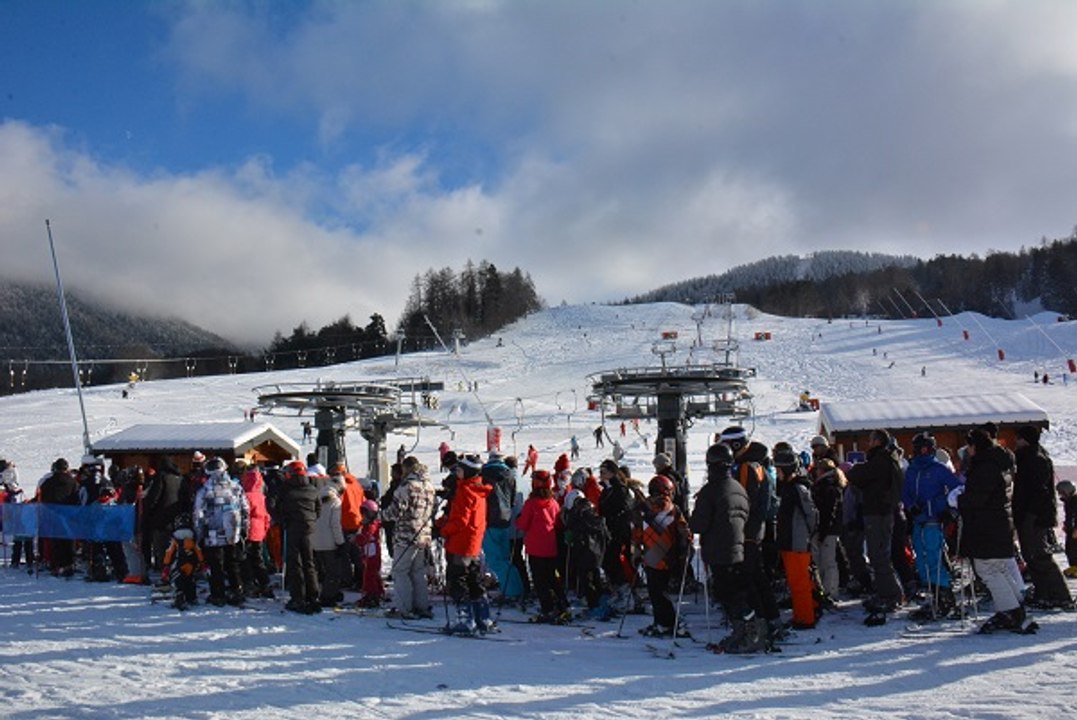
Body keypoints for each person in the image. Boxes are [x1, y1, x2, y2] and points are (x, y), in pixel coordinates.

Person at [690, 443, 765, 653]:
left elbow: (698, 524)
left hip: (718, 549)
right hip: (738, 546)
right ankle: (744, 632)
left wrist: (693, 522)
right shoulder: (738, 487)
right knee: (736, 591)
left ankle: (749, 632)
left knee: (727, 594)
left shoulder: (711, 490)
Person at [959, 426, 1035, 633]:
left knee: (988, 568)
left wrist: (960, 499)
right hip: (1000, 521)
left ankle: (1009, 610)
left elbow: (979, 496)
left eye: (969, 446)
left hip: (987, 524)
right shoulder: (1001, 460)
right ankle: (1016, 607)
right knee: (1000, 566)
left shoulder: (986, 465)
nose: (968, 450)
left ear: (976, 445)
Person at [846, 429, 905, 624]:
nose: (868, 443)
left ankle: (891, 595)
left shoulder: (881, 461)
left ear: (878, 441)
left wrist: (856, 472)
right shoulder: (887, 460)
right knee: (878, 554)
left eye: (871, 440)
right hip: (880, 511)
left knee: (879, 555)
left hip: (879, 513)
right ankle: (886, 592)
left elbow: (857, 475)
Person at [1013, 426, 1074, 609]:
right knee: (1031, 555)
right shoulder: (1028, 457)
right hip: (1029, 513)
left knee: (1039, 555)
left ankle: (1060, 595)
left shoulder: (1035, 459)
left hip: (1034, 515)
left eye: (1018, 438)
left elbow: (1038, 491)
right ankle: (1044, 593)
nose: (1016, 441)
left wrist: (1030, 513)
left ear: (1025, 440)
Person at [903, 433, 962, 622]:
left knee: (934, 557)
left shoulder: (938, 469)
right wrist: (911, 505)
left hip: (934, 519)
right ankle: (934, 595)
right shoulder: (912, 470)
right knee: (921, 559)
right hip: (918, 519)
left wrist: (949, 509)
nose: (921, 451)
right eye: (918, 448)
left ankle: (944, 597)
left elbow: (957, 488)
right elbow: (905, 492)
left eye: (925, 448)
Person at [437, 454, 494, 634]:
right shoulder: (479, 490)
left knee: (458, 581)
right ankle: (483, 618)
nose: (457, 473)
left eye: (460, 470)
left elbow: (460, 520)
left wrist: (443, 530)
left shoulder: (465, 491)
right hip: (474, 542)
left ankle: (465, 620)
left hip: (460, 543)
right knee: (474, 580)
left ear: (468, 472)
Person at [634, 474, 691, 638]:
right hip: (668, 554)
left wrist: (637, 547)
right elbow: (683, 530)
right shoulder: (673, 509)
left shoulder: (644, 508)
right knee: (660, 591)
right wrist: (686, 545)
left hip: (651, 554)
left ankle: (667, 622)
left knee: (656, 592)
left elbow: (638, 530)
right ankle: (662, 622)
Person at [381, 455, 437, 619]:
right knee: (417, 572)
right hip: (423, 534)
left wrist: (379, 516)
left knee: (400, 571)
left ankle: (404, 608)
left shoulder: (406, 486)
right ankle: (421, 606)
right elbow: (433, 510)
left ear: (407, 468)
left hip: (406, 534)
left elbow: (395, 511)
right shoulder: (429, 486)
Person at [192, 457, 249, 606]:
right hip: (232, 532)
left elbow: (198, 513)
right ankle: (236, 590)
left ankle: (218, 594)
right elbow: (245, 509)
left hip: (213, 534)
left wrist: (199, 533)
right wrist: (244, 529)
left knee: (215, 565)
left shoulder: (205, 490)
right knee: (232, 563)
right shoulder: (236, 487)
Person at [774, 447, 820, 630]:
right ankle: (810, 609)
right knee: (800, 581)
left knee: (799, 582)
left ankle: (805, 618)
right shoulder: (788, 488)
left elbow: (811, 514)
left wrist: (808, 535)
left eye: (778, 470)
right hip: (790, 541)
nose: (777, 474)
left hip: (797, 542)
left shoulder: (798, 489)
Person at [516, 470, 568, 623]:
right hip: (550, 545)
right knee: (551, 577)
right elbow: (558, 522)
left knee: (540, 581)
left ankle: (548, 609)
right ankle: (562, 604)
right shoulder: (553, 501)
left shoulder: (532, 503)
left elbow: (523, 524)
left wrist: (518, 520)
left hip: (535, 547)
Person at [279, 460, 321, 614]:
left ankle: (298, 597)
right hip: (309, 527)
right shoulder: (312, 488)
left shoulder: (287, 489)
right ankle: (313, 596)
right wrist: (312, 519)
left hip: (293, 527)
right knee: (309, 563)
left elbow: (277, 506)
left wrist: (282, 520)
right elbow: (318, 508)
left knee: (295, 563)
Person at [563, 492, 610, 619]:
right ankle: (602, 603)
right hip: (597, 551)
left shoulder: (578, 515)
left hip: (584, 550)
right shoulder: (593, 513)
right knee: (596, 576)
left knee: (586, 579)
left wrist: (570, 538)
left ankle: (594, 605)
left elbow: (573, 532)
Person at [597, 458, 635, 614]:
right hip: (608, 530)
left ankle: (626, 595)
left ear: (612, 473)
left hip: (618, 531)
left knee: (616, 562)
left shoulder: (620, 489)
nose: (601, 475)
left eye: (604, 472)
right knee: (607, 562)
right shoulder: (607, 489)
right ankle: (617, 592)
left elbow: (625, 509)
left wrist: (614, 521)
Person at [810, 458, 844, 601]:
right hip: (830, 528)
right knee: (826, 560)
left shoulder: (826, 486)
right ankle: (828, 590)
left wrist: (823, 530)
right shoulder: (831, 484)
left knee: (827, 561)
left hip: (827, 528)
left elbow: (828, 511)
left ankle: (830, 592)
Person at [38, 458, 79, 576]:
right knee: (69, 540)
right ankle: (69, 564)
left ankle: (57, 565)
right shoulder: (72, 482)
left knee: (56, 542)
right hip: (69, 515)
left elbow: (43, 497)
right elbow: (77, 498)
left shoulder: (48, 482)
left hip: (52, 515)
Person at [239, 463, 274, 599]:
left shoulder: (246, 496)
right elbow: (267, 516)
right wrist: (265, 529)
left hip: (248, 530)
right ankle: (264, 582)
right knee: (258, 558)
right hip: (260, 531)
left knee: (245, 558)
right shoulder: (261, 496)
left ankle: (249, 583)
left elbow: (243, 514)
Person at [312, 474, 346, 608]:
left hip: (315, 540)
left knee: (319, 571)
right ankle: (328, 596)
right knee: (333, 571)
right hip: (329, 541)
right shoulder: (335, 501)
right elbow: (335, 524)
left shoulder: (317, 496)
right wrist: (340, 542)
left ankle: (318, 593)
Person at [355, 499, 385, 607]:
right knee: (373, 573)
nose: (363, 517)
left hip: (371, 553)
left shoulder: (371, 525)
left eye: (364, 514)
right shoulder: (370, 524)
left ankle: (371, 595)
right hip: (370, 552)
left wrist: (357, 538)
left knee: (369, 574)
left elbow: (366, 537)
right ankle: (378, 592)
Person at [1058, 480, 1077, 578]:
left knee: (1074, 549)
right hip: (1070, 529)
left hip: (1075, 530)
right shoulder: (1068, 502)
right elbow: (1069, 516)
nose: (1060, 495)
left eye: (1061, 493)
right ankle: (1073, 567)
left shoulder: (1075, 501)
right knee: (1069, 549)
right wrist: (1066, 524)